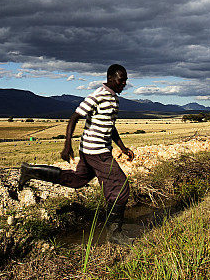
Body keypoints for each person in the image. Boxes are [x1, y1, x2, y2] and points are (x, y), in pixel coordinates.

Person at [17, 64, 135, 245]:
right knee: (120, 187)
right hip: (97, 151)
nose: (124, 83)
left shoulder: (114, 98)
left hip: (91, 150)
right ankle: (115, 233)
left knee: (77, 180)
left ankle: (31, 171)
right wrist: (67, 146)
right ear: (110, 78)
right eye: (121, 79)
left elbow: (110, 127)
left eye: (126, 80)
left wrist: (122, 147)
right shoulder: (98, 95)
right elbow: (74, 117)